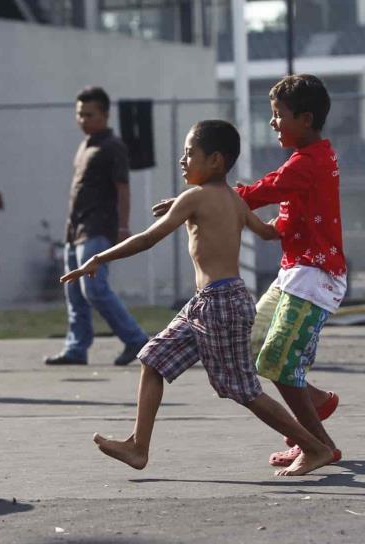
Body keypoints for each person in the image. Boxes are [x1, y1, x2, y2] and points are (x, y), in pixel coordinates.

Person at [64, 120, 335, 476]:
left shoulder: (194, 197)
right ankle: (138, 446)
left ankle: (316, 448)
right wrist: (293, 213)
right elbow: (270, 233)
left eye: (190, 153)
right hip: (207, 302)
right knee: (153, 358)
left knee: (244, 390)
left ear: (217, 161)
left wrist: (100, 257)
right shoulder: (235, 200)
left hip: (220, 304)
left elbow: (148, 238)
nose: (182, 160)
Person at [152, 74, 343, 470]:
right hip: (294, 272)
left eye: (278, 116)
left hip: (316, 278)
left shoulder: (309, 163)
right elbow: (280, 209)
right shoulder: (306, 160)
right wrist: (202, 202)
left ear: (305, 119)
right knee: (257, 348)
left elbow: (265, 190)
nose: (273, 123)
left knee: (278, 362)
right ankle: (317, 403)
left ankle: (318, 446)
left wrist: (199, 200)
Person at [45, 86, 149, 367]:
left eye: (89, 114)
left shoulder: (112, 146)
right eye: (79, 114)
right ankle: (76, 348)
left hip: (98, 229)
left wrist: (123, 227)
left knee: (95, 289)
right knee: (74, 292)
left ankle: (136, 340)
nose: (82, 119)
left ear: (104, 114)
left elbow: (123, 189)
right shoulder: (85, 145)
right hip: (75, 231)